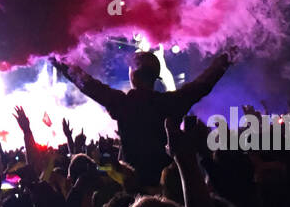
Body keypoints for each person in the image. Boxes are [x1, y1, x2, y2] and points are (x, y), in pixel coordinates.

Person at [52, 47, 232, 186]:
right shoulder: (171, 102)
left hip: (133, 182)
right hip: (167, 180)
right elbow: (203, 84)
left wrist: (58, 60)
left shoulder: (124, 103)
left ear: (133, 75)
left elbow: (87, 84)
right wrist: (226, 59)